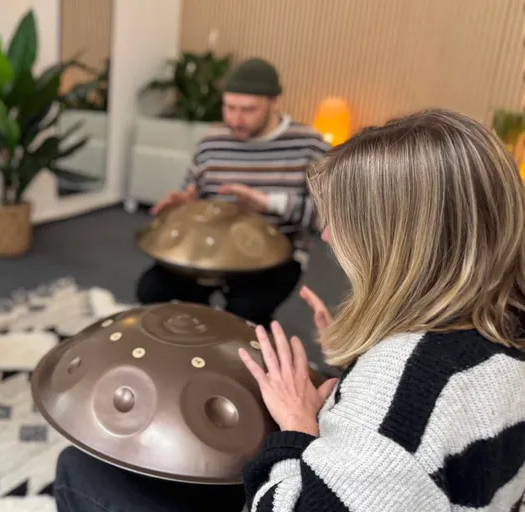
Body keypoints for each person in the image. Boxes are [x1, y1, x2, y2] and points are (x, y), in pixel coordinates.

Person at [56, 108, 525, 511]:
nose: (328, 237)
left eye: (343, 222)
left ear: (396, 243)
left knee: (80, 470)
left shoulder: (406, 395)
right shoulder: (507, 334)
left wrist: (297, 427)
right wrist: (359, 363)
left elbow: (384, 447)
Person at [135, 58, 332, 327]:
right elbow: (192, 191)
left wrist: (267, 203)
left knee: (245, 311)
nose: (234, 119)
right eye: (229, 108)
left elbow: (328, 216)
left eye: (248, 110)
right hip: (209, 248)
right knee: (152, 291)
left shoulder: (308, 144)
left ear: (274, 102)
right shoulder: (211, 142)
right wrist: (185, 204)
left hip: (276, 254)